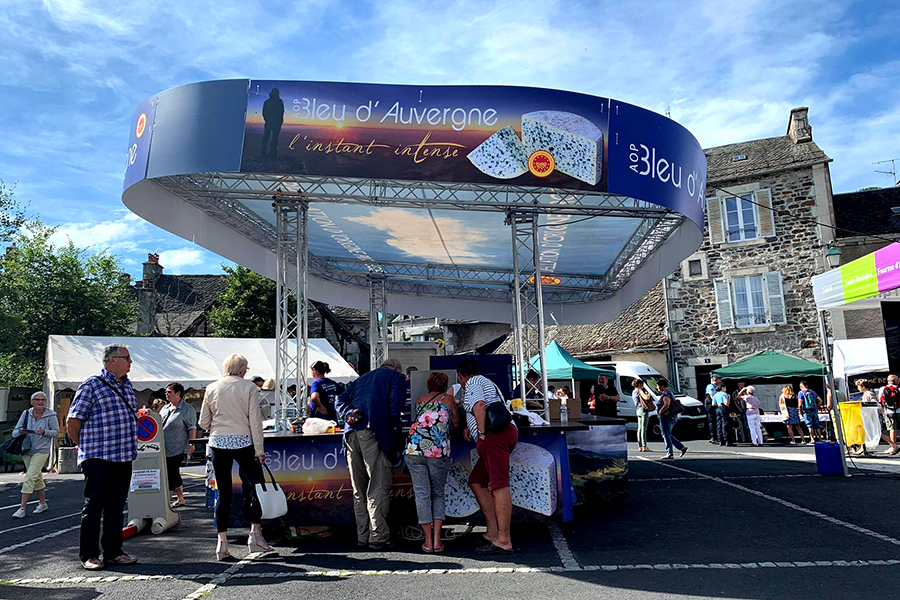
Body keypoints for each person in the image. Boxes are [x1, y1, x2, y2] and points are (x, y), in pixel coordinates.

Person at [66, 344, 140, 570]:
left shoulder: (128, 386)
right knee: (94, 506)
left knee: (116, 507)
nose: (130, 362)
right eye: (127, 358)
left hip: (123, 456)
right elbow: (72, 421)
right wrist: (85, 446)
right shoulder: (91, 385)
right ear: (112, 360)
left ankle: (113, 552)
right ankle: (89, 555)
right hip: (98, 456)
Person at [199, 353, 272, 561]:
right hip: (243, 442)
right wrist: (259, 450)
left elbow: (203, 422)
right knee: (254, 487)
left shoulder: (211, 388)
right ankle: (255, 535)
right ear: (242, 369)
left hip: (218, 442)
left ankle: (222, 543)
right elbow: (255, 422)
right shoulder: (249, 387)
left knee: (223, 492)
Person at [335, 357, 406, 550]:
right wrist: (395, 428)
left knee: (359, 489)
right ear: (397, 368)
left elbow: (339, 399)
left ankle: (362, 536)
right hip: (375, 434)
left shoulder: (361, 379)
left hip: (350, 436)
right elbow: (395, 407)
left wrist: (348, 412)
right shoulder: (396, 377)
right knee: (377, 486)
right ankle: (379, 537)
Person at [457, 359, 517, 554]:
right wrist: (471, 425)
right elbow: (487, 406)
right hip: (501, 434)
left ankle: (504, 540)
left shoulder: (473, 383)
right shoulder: (486, 382)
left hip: (494, 436)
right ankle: (492, 532)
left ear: (460, 376)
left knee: (499, 485)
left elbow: (481, 405)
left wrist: (481, 433)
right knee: (476, 481)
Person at [405, 372, 460, 553]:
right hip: (437, 450)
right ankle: (437, 540)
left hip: (414, 448)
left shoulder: (419, 400)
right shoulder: (449, 399)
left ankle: (427, 541)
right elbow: (456, 423)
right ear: (446, 385)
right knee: (437, 493)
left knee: (422, 495)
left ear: (428, 384)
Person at [11, 391, 58, 518]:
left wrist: (45, 432)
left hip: (42, 450)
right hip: (27, 449)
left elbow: (56, 432)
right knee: (37, 478)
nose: (40, 402)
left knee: (30, 477)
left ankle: (22, 508)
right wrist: (20, 432)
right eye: (37, 399)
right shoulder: (26, 413)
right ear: (32, 402)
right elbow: (14, 432)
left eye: (43, 400)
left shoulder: (51, 415)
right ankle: (42, 503)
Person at [160, 383, 197, 508]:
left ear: (178, 393)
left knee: (172, 472)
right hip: (164, 447)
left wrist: (192, 444)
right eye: (166, 392)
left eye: (169, 392)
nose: (166, 394)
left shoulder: (187, 409)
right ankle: (180, 498)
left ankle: (166, 499)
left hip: (178, 447)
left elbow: (192, 428)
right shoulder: (165, 408)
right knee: (172, 472)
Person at [857, 379, 894, 454]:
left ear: (863, 386)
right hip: (869, 416)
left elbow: (875, 404)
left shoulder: (868, 394)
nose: (858, 388)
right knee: (866, 431)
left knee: (877, 433)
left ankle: (893, 445)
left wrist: (864, 406)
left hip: (873, 416)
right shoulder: (866, 394)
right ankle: (862, 448)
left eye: (859, 387)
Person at [655, 378, 687, 459]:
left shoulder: (666, 394)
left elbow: (667, 404)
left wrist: (660, 411)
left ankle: (670, 453)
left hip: (666, 416)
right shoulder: (670, 392)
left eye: (658, 386)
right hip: (672, 416)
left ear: (662, 386)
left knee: (666, 434)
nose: (657, 388)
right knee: (667, 434)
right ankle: (681, 447)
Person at [879, 374, 900, 455]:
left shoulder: (883, 389)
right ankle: (894, 447)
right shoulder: (899, 389)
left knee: (892, 428)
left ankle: (893, 447)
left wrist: (883, 413)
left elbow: (881, 402)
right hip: (899, 410)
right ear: (896, 381)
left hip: (889, 412)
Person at [631, 379, 654, 452]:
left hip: (638, 410)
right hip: (643, 410)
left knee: (639, 429)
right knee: (644, 428)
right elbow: (646, 397)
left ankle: (640, 446)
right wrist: (649, 395)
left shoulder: (633, 392)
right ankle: (644, 446)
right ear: (640, 384)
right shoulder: (639, 391)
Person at [261, 87, 284, 158]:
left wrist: (279, 121)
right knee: (271, 138)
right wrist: (278, 121)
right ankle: (270, 153)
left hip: (272, 123)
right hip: (273, 123)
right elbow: (265, 113)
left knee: (270, 138)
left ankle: (269, 152)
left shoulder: (268, 102)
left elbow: (281, 112)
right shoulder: (278, 101)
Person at [705, 375, 721, 444]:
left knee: (716, 420)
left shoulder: (716, 387)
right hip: (710, 405)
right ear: (715, 379)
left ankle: (717, 436)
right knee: (712, 420)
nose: (720, 380)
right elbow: (712, 396)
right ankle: (713, 437)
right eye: (719, 379)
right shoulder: (711, 386)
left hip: (713, 405)